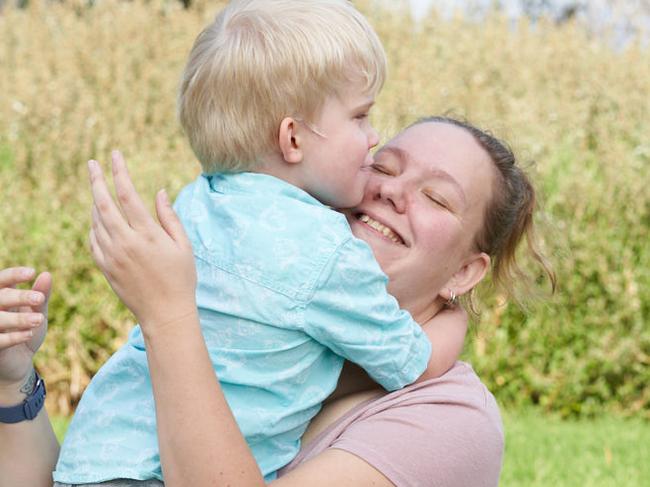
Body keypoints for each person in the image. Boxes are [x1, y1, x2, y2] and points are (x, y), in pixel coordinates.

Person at [29, 1, 468, 484]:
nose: (373, 138)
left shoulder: (198, 201)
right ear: (293, 140)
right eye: (361, 116)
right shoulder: (326, 253)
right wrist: (455, 317)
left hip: (94, 456)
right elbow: (415, 365)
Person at [0, 116, 555, 486]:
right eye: (382, 167)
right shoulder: (251, 330)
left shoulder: (450, 421)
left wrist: (170, 319)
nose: (390, 189)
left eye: (435, 196)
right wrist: (12, 382)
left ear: (464, 272)